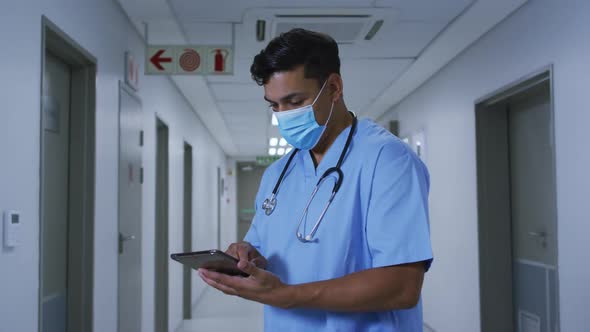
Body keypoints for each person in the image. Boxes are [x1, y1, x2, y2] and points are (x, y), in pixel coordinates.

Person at [198, 28, 433, 331]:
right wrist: (247, 255)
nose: (282, 115)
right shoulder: (278, 174)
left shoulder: (388, 160)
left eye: (294, 101)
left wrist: (287, 295)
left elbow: (402, 287)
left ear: (334, 88)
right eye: (274, 105)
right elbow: (264, 248)